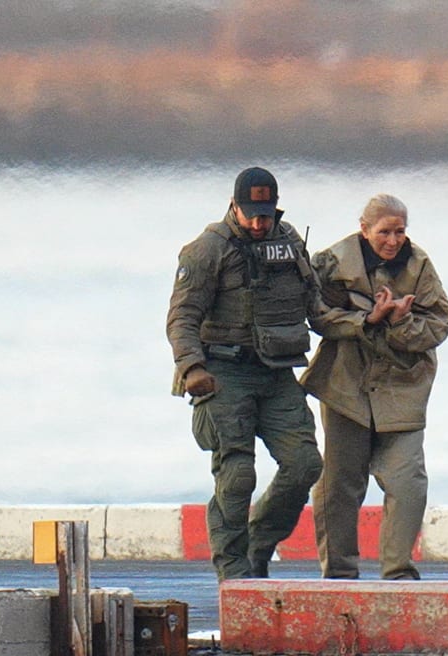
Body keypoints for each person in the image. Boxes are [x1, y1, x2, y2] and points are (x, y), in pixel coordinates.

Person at [167, 166, 325, 581]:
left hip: (276, 372)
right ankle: (234, 573)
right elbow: (182, 317)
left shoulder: (288, 241)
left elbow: (315, 303)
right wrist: (192, 366)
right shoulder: (207, 250)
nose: (259, 222)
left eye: (266, 213)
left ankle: (260, 540)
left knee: (305, 463)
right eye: (252, 213)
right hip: (223, 371)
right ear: (234, 206)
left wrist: (364, 321)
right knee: (237, 474)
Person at [301, 193, 448, 580]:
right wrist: (367, 319)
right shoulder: (332, 262)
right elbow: (316, 315)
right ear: (364, 229)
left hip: (402, 389)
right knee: (339, 486)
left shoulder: (419, 265)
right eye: (384, 231)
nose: (393, 240)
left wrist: (400, 322)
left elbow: (441, 323)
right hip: (346, 387)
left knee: (408, 483)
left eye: (400, 231)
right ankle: (339, 573)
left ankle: (398, 572)